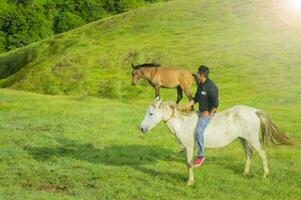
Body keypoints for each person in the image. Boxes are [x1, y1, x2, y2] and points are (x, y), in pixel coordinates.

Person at [180, 65, 219, 167]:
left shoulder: (211, 87)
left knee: (198, 131)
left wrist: (209, 113)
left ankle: (201, 155)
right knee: (186, 119)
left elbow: (215, 104)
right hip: (200, 111)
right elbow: (196, 99)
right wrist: (185, 106)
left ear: (202, 75)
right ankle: (187, 146)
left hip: (208, 113)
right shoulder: (201, 85)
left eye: (198, 73)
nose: (196, 75)